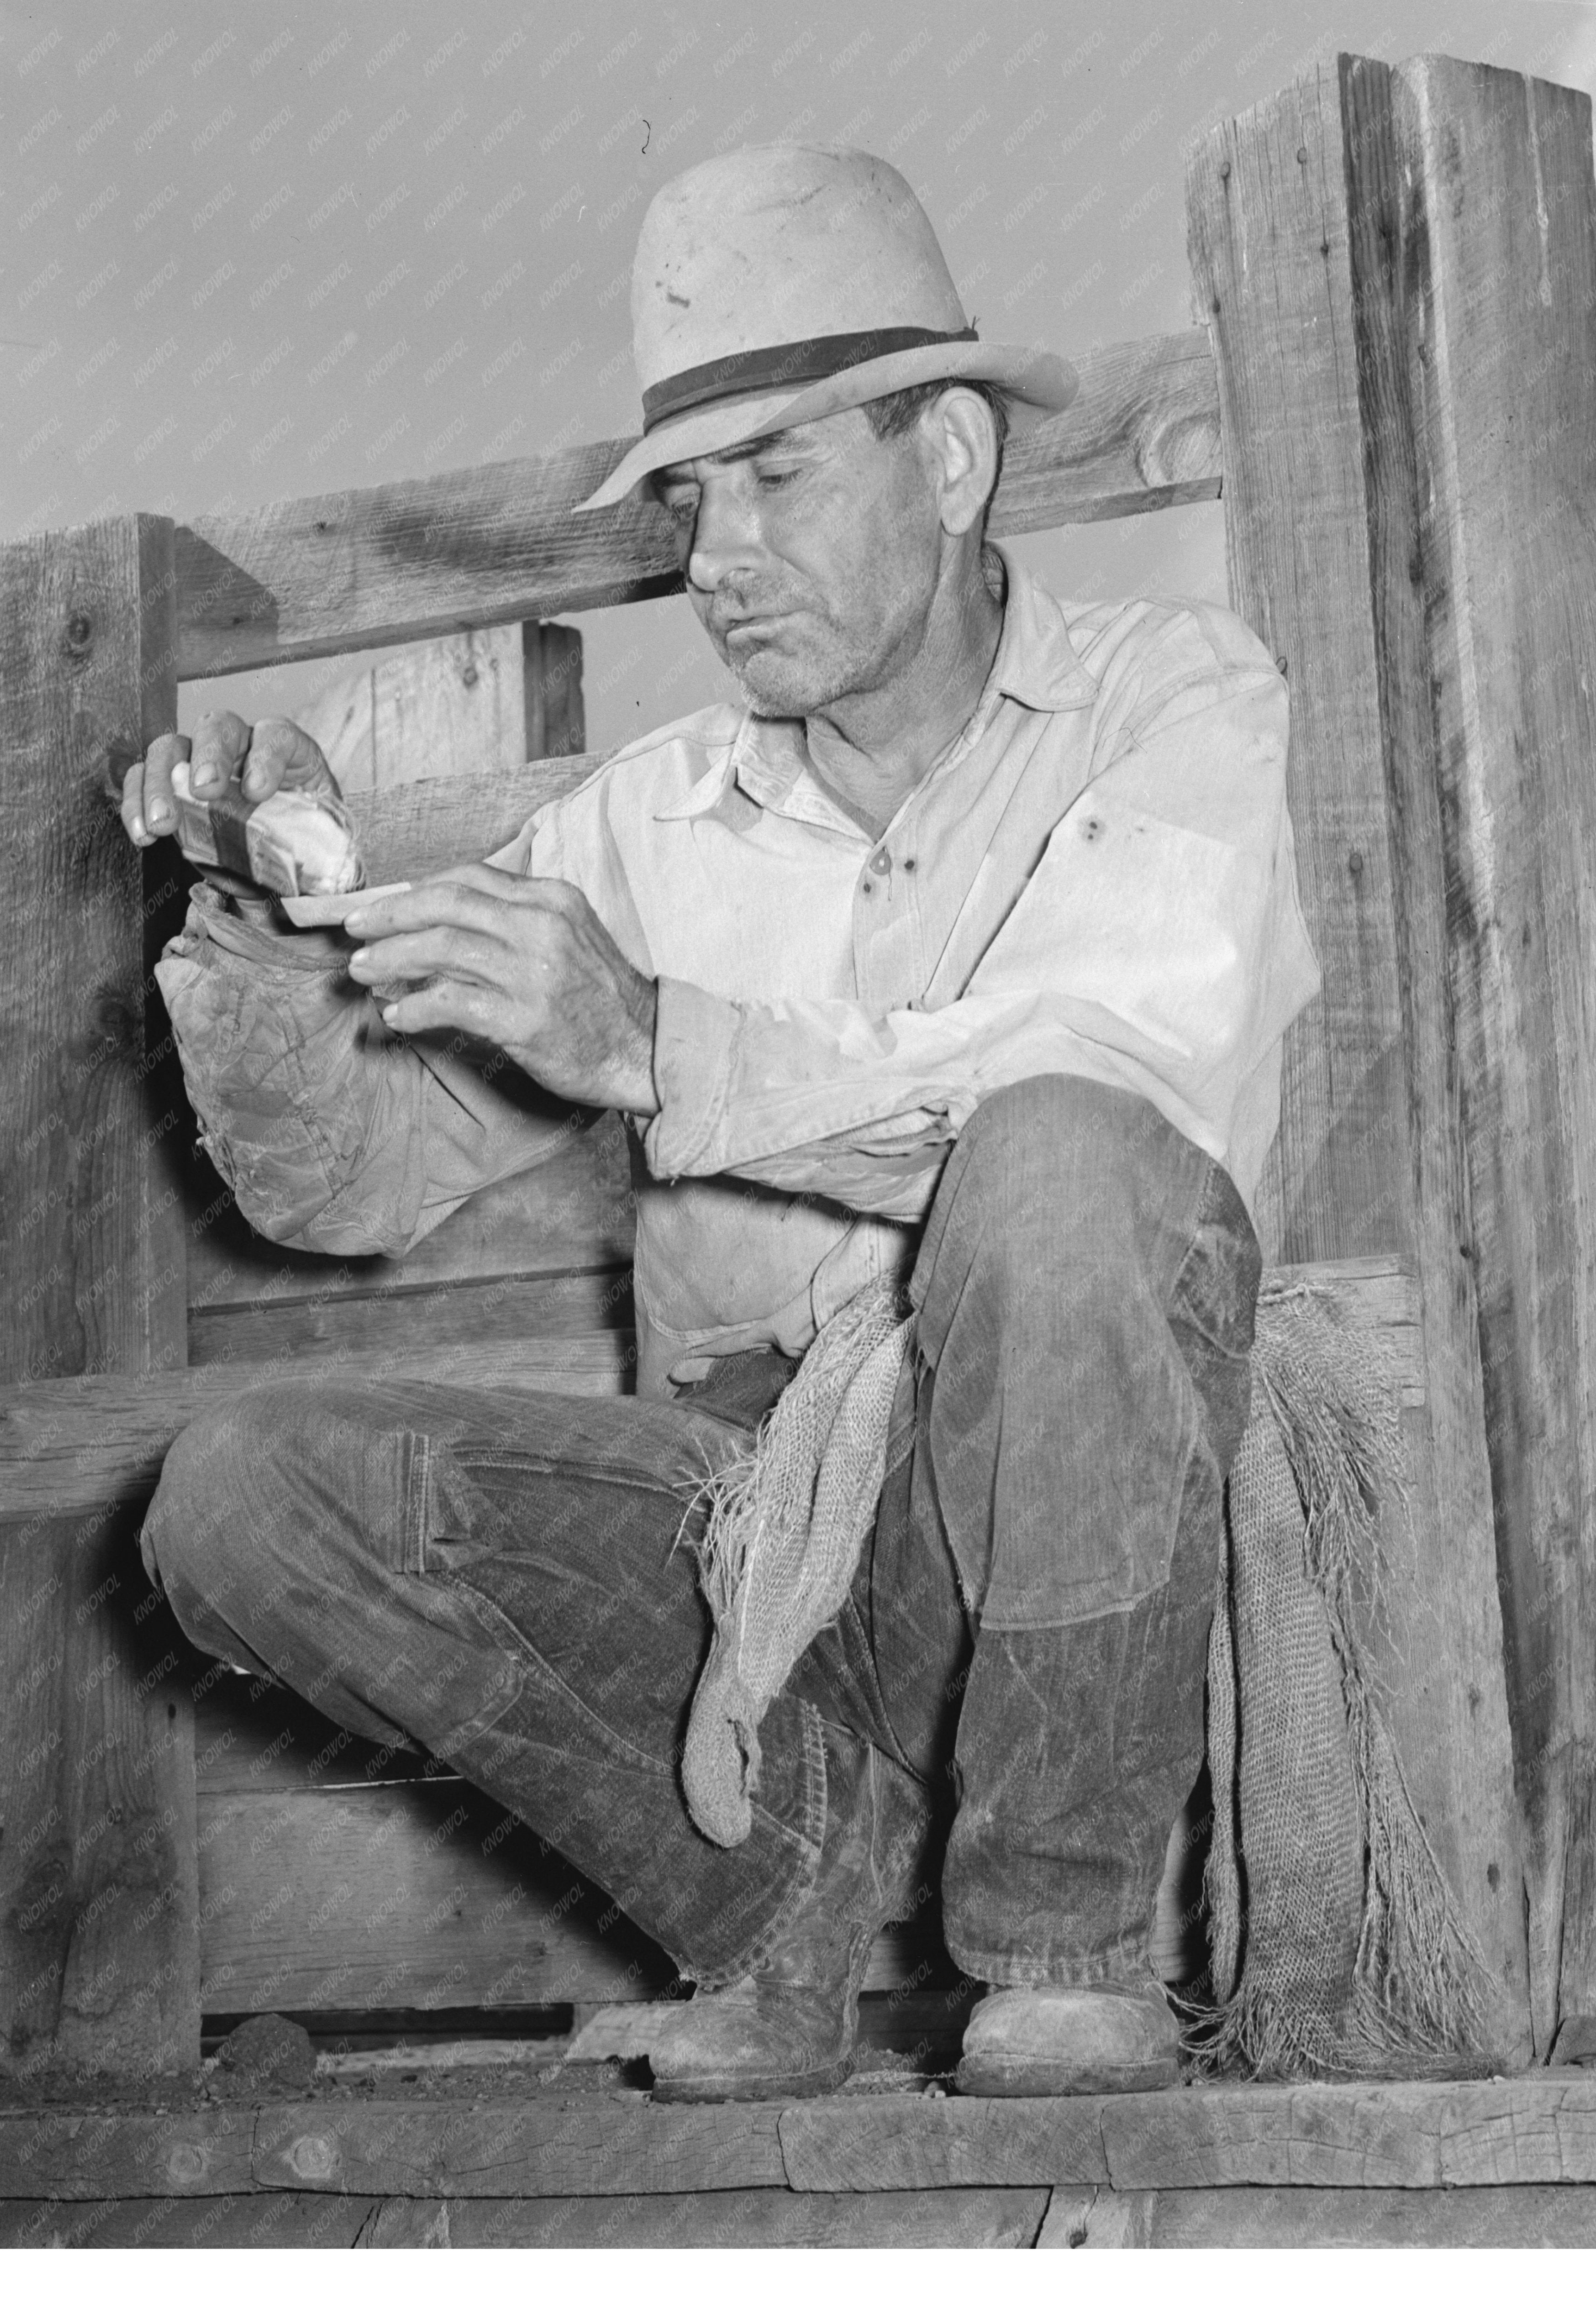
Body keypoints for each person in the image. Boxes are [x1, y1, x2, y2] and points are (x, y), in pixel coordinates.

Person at [129, 143, 1321, 2100]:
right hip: (744, 1567)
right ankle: (779, 1922)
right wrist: (267, 948)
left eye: (780, 477)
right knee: (237, 1495)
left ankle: (1065, 1942)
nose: (716, 555)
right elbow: (350, 1186)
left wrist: (665, 1042)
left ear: (947, 460)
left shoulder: (1173, 702)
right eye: (695, 494)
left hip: (1050, 1560)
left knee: (1063, 1158)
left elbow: (1118, 1074)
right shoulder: (646, 821)